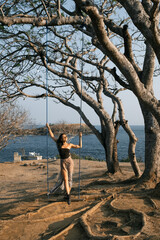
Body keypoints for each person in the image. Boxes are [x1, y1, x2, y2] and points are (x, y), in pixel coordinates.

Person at [46, 123, 82, 205]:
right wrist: (48, 127)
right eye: (63, 137)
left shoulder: (69, 145)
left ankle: (68, 195)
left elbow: (80, 146)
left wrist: (80, 137)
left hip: (69, 162)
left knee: (69, 179)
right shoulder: (58, 144)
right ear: (61, 139)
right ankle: (68, 195)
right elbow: (52, 136)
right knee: (65, 179)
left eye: (66, 137)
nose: (65, 138)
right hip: (62, 163)